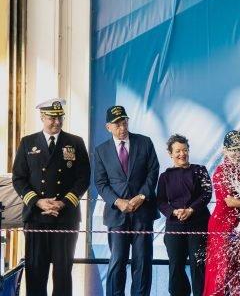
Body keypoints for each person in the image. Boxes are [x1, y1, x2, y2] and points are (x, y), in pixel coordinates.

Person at [11, 98, 90, 296]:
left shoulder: (75, 142)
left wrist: (62, 203)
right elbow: (19, 178)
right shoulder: (28, 142)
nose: (56, 122)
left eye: (60, 117)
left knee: (63, 273)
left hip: (65, 217)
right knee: (36, 271)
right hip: (36, 217)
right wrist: (38, 201)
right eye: (52, 118)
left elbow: (84, 178)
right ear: (42, 117)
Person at [93, 105, 159, 296]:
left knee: (143, 261)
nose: (122, 127)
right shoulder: (101, 151)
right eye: (117, 124)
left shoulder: (145, 143)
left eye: (124, 122)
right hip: (117, 214)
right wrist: (118, 201)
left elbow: (153, 171)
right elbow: (100, 182)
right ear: (108, 127)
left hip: (143, 212)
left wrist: (142, 196)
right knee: (117, 260)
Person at [203, 130, 240, 296]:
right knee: (223, 270)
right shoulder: (220, 172)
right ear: (224, 150)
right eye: (233, 149)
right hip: (222, 226)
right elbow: (229, 201)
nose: (238, 153)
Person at [157, 134, 212, 296]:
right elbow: (160, 201)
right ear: (170, 154)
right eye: (178, 151)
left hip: (198, 224)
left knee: (198, 265)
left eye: (185, 150)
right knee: (175, 265)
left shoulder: (200, 170)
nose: (182, 154)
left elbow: (206, 194)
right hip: (175, 225)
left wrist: (190, 210)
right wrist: (173, 212)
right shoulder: (165, 176)